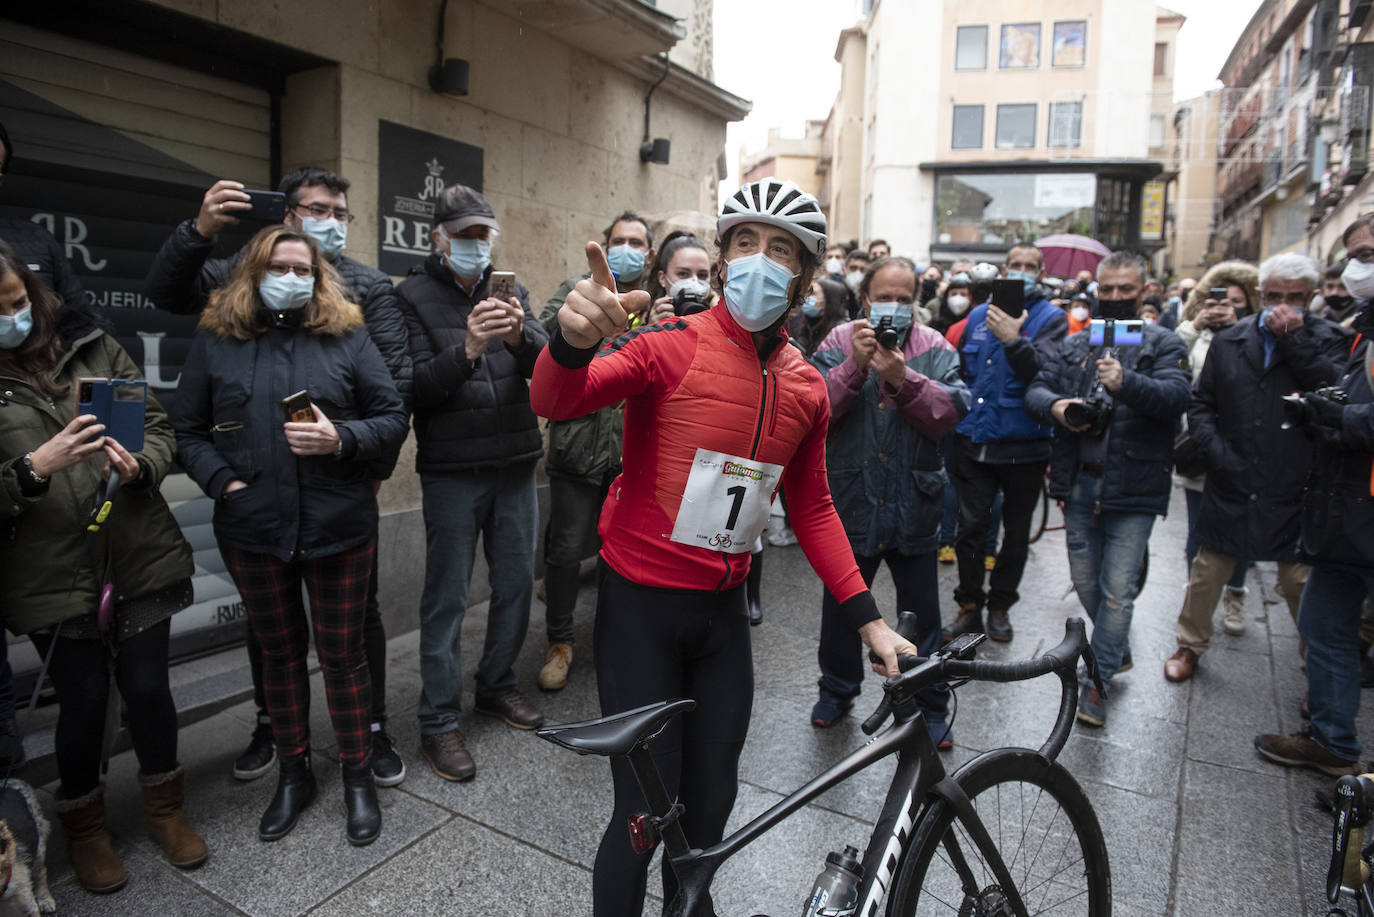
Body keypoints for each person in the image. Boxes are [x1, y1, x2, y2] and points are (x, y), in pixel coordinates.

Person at [529, 177, 916, 917]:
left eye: (780, 250)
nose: (759, 261)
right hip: (640, 608)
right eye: (745, 243)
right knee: (644, 817)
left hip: (722, 618)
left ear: (802, 278)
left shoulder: (805, 383)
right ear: (720, 259)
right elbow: (557, 399)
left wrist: (869, 617)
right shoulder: (671, 345)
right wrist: (569, 343)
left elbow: (815, 504)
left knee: (711, 808)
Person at [145, 167, 413, 787]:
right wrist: (225, 485)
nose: (292, 278)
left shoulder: (359, 310)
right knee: (277, 647)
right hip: (255, 518)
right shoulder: (223, 329)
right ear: (284, 221)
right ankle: (286, 756)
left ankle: (362, 752)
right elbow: (186, 424)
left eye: (339, 212)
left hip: (339, 507)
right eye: (280, 268)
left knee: (347, 645)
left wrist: (351, 453)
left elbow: (393, 400)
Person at [0, 241, 205, 893]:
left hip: (136, 548)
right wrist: (34, 468)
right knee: (84, 702)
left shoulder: (91, 343)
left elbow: (158, 428)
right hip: (48, 568)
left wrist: (140, 463)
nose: (15, 316)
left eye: (17, 300)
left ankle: (166, 809)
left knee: (148, 688)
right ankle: (86, 829)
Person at [398, 184, 549, 782]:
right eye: (462, 235)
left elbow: (549, 366)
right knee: (448, 599)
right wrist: (467, 347)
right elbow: (413, 389)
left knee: (515, 584)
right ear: (438, 237)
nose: (473, 244)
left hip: (515, 461)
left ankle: (496, 685)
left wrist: (517, 336)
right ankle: (438, 719)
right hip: (452, 473)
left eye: (482, 234)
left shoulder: (511, 290)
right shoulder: (409, 297)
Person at [1164, 252, 1351, 682]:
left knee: (1299, 581)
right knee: (1208, 570)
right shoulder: (1231, 339)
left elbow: (1336, 395)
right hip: (1233, 472)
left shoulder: (1328, 339)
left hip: (1296, 480)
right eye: (1275, 296)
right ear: (1261, 295)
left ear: (1312, 297)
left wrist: (1295, 340)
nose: (1284, 304)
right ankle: (1189, 645)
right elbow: (1202, 403)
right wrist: (1216, 452)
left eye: (1296, 297)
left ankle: (1315, 663)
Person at [1025, 252, 1190, 727]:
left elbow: (1178, 398)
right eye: (1108, 289)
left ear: (1144, 290)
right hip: (1079, 482)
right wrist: (1058, 406)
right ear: (1096, 289)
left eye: (1125, 290)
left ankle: (1096, 682)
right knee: (1086, 583)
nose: (1115, 298)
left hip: (1135, 488)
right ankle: (1116, 648)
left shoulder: (1162, 342)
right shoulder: (1078, 344)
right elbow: (1037, 389)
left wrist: (1127, 383)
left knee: (1118, 593)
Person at [808, 256, 970, 735]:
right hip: (852, 501)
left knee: (922, 613)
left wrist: (903, 378)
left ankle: (933, 704)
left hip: (914, 505)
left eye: (904, 299)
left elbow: (950, 413)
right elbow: (813, 408)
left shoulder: (936, 348)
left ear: (916, 302)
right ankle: (836, 690)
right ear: (865, 299)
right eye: (885, 298)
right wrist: (854, 369)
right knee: (843, 608)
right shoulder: (838, 343)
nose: (893, 307)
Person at [535, 214, 659, 691]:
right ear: (605, 247)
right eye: (619, 241)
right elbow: (544, 345)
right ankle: (560, 643)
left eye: (636, 242)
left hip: (632, 452)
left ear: (648, 255)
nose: (626, 248)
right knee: (566, 551)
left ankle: (615, 635)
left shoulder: (657, 306)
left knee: (621, 552)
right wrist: (577, 324)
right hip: (577, 446)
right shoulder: (575, 288)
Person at [1254, 304, 1374, 775]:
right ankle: (1332, 743)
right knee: (1323, 628)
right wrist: (1324, 412)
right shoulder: (1362, 332)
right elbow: (1344, 392)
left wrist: (1342, 418)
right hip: (1344, 517)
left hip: (1355, 508)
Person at [944, 242, 1068, 643]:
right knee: (971, 530)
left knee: (1015, 536)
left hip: (1025, 446)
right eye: (1014, 265)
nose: (1021, 270)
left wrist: (1015, 339)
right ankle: (969, 607)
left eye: (1030, 266)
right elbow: (960, 371)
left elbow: (1047, 375)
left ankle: (1000, 606)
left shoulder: (1052, 319)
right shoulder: (979, 315)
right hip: (975, 441)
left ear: (1042, 273)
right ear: (1002, 272)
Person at [1173, 262, 1258, 631]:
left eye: (1236, 302)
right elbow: (1172, 354)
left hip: (1245, 449)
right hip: (1199, 445)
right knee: (1199, 530)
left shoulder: (1259, 337)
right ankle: (1197, 597)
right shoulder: (1197, 333)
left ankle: (1235, 596)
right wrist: (1198, 325)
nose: (1225, 306)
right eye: (1218, 300)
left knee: (1240, 530)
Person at [792, 275, 848, 356]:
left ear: (829, 301)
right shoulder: (806, 325)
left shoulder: (840, 332)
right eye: (808, 293)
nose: (807, 297)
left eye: (813, 294)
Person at [929, 271, 972, 336]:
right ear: (947, 297)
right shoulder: (936, 324)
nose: (958, 298)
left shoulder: (974, 322)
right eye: (954, 294)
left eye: (963, 294)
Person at [1322, 261, 1362, 327]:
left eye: (1343, 287)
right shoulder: (1319, 318)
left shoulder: (1365, 319)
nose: (1335, 292)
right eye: (1330, 286)